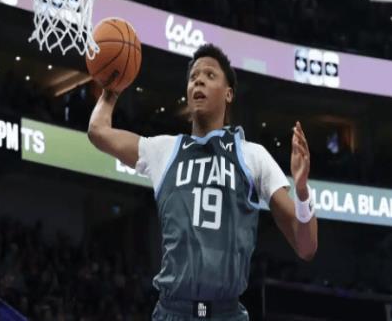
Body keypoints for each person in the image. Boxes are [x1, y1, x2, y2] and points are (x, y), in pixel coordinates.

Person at [88, 43, 318, 320]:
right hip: (172, 312)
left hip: (226, 313)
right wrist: (111, 91)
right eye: (193, 77)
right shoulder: (164, 150)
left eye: (210, 75)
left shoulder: (253, 155)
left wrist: (302, 192)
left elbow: (306, 247)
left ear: (228, 94)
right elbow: (98, 131)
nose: (198, 80)